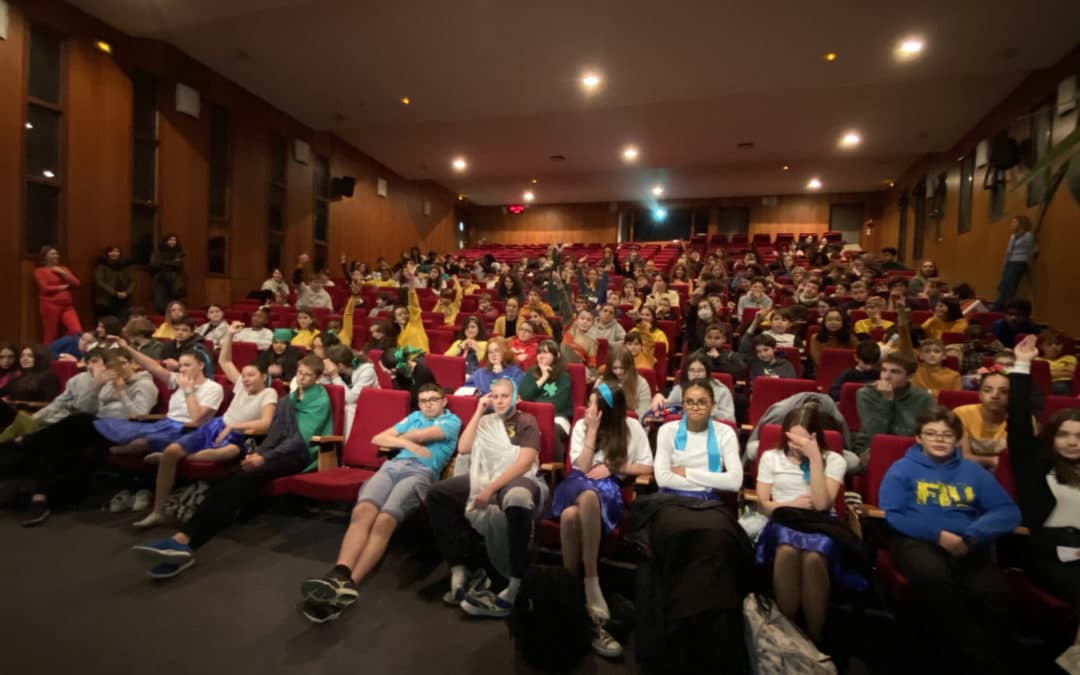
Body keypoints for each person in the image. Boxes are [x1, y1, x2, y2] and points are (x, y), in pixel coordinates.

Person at [132, 354, 332, 579]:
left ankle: (185, 540)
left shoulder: (320, 398)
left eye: (307, 374)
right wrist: (259, 453)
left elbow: (299, 440)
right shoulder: (289, 399)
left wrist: (264, 458)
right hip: (276, 453)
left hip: (300, 456)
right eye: (299, 372)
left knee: (241, 481)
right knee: (229, 480)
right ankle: (184, 542)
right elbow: (275, 434)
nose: (302, 377)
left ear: (318, 377)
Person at [299, 383, 462, 623]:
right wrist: (407, 444)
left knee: (384, 519)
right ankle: (339, 572)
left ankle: (350, 585)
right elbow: (378, 438)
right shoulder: (415, 416)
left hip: (420, 472)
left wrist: (400, 439)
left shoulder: (452, 421)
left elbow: (419, 435)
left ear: (444, 400)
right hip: (391, 467)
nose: (428, 404)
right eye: (423, 400)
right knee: (362, 511)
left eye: (433, 399)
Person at [878, 406, 1021, 675]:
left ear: (957, 439)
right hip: (915, 541)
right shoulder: (902, 469)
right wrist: (937, 535)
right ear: (919, 438)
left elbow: (1007, 511)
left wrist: (972, 535)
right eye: (931, 434)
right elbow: (893, 514)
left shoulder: (973, 472)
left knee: (994, 593)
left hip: (966, 542)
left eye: (946, 434)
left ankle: (976, 658)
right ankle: (973, 661)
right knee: (935, 580)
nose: (939, 439)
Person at [134, 324, 278, 528]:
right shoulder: (240, 384)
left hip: (238, 435)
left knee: (226, 452)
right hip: (216, 426)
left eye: (251, 375)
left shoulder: (268, 393)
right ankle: (158, 511)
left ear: (263, 377)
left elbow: (266, 423)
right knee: (171, 451)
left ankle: (183, 457)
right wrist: (229, 334)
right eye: (244, 375)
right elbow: (225, 361)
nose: (245, 379)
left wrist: (236, 425)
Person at [427, 378, 547, 618]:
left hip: (517, 477)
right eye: (495, 396)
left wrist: (490, 489)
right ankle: (458, 567)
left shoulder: (526, 421)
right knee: (437, 494)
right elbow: (463, 448)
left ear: (516, 398)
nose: (499, 401)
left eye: (504, 396)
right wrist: (479, 411)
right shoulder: (486, 421)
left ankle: (516, 580)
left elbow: (524, 463)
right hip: (484, 475)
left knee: (517, 499)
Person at [551, 383, 653, 658]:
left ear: (608, 410)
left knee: (573, 515)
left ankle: (574, 595)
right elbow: (580, 468)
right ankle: (592, 579)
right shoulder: (583, 426)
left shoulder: (632, 428)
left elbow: (647, 466)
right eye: (588, 403)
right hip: (576, 484)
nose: (588, 409)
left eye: (594, 405)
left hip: (609, 490)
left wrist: (614, 467)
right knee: (583, 495)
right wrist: (592, 431)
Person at [1007, 335, 1080, 667]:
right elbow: (1019, 424)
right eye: (1064, 434)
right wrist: (1022, 366)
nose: (1072, 442)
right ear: (1052, 437)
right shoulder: (1036, 466)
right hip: (1049, 557)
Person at [754, 406, 850, 645]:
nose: (796, 445)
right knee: (787, 550)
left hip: (820, 524)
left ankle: (815, 636)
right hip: (783, 519)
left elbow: (821, 504)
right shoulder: (771, 457)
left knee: (814, 558)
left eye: (803, 440)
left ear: (815, 438)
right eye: (791, 438)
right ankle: (790, 633)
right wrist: (790, 504)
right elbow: (764, 504)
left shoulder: (833, 460)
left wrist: (815, 458)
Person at [654, 379, 743, 498]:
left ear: (712, 405)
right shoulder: (666, 431)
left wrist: (686, 472)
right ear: (683, 405)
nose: (695, 408)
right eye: (689, 402)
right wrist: (711, 483)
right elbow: (662, 479)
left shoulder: (726, 433)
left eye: (702, 402)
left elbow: (735, 482)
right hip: (671, 499)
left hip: (709, 502)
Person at [853, 351, 934, 460]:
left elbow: (921, 433)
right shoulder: (866, 394)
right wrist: (887, 400)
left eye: (895, 372)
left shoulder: (923, 398)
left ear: (909, 377)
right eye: (884, 370)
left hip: (909, 449)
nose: (886, 377)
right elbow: (875, 433)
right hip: (872, 448)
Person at [518, 339, 573, 457]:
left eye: (546, 352)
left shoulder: (564, 377)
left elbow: (557, 404)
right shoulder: (530, 373)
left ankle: (554, 470)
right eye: (539, 352)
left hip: (557, 418)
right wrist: (543, 378)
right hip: (530, 416)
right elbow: (523, 396)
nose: (541, 356)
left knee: (548, 429)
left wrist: (531, 403)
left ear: (557, 355)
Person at [954, 369, 1013, 471]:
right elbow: (964, 457)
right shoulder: (961, 414)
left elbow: (1020, 460)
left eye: (1003, 391)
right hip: (967, 471)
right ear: (980, 394)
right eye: (987, 390)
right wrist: (991, 461)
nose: (995, 396)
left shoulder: (1023, 421)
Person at [324, 343, 378, 440]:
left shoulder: (367, 371)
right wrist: (324, 375)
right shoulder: (341, 371)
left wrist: (334, 376)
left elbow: (350, 399)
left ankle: (346, 447)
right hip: (353, 409)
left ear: (340, 366)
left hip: (369, 410)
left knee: (348, 408)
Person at [34, 246, 82, 344]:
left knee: (76, 331)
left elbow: (76, 283)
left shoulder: (63, 269)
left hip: (67, 306)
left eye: (56, 253)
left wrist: (63, 274)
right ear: (45, 257)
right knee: (51, 334)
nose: (56, 256)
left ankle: (64, 348)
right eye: (53, 254)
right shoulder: (40, 271)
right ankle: (48, 356)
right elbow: (45, 288)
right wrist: (62, 288)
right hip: (50, 306)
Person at [993, 215, 1034, 310]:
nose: (1012, 224)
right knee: (1003, 285)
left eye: (1014, 222)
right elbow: (1008, 251)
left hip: (1019, 262)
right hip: (1010, 262)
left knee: (1010, 286)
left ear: (1021, 223)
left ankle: (1005, 308)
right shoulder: (1013, 236)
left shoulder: (1028, 235)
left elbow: (1031, 249)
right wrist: (1005, 264)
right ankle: (999, 305)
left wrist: (1028, 262)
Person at [602, 346, 651, 418]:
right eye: (615, 368)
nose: (618, 372)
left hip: (633, 425)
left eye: (622, 368)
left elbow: (643, 416)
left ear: (630, 367)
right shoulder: (602, 382)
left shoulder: (642, 384)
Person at [93, 246, 135, 321]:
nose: (114, 254)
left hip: (124, 298)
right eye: (111, 251)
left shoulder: (126, 265)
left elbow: (133, 281)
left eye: (116, 251)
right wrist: (115, 293)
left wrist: (127, 293)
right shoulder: (102, 265)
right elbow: (100, 282)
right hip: (106, 299)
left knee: (123, 319)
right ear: (107, 253)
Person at [149, 234, 186, 314]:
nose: (172, 242)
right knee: (159, 302)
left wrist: (163, 263)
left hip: (174, 280)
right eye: (170, 240)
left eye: (174, 240)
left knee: (173, 302)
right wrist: (172, 263)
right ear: (165, 241)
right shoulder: (158, 252)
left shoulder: (179, 253)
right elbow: (154, 264)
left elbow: (179, 265)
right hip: (160, 280)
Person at [1037, 331, 1077, 396]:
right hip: (1049, 385)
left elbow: (1075, 373)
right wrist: (1064, 369)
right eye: (1049, 344)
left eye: (1058, 344)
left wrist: (1052, 372)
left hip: (1071, 383)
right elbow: (1041, 376)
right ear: (1041, 346)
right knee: (1059, 387)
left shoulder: (1069, 358)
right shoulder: (1037, 360)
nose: (1054, 348)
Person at [562, 308, 598, 375]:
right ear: (576, 321)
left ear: (592, 324)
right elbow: (564, 304)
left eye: (589, 320)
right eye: (582, 318)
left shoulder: (592, 342)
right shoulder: (570, 328)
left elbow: (592, 364)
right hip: (561, 365)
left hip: (577, 369)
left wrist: (591, 375)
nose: (585, 321)